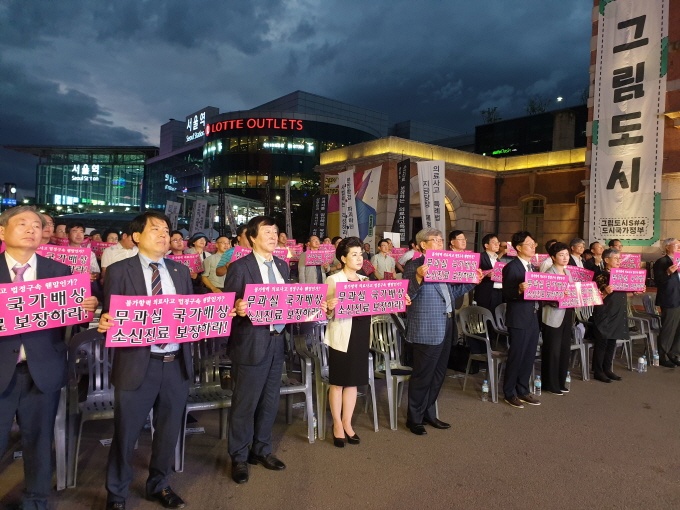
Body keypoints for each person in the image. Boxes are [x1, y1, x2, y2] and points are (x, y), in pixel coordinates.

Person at [0, 206, 98, 510]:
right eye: (22, 224)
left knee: (39, 443)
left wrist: (87, 308)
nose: (32, 229)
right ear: (2, 231)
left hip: (42, 370)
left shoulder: (59, 271)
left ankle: (35, 501)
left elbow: (74, 317)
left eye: (37, 224)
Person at [97, 211, 194, 510]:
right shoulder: (119, 270)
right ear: (137, 236)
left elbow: (190, 314)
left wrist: (213, 315)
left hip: (175, 362)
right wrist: (106, 321)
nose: (164, 235)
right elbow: (112, 315)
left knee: (168, 431)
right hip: (138, 363)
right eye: (156, 230)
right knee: (126, 433)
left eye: (166, 230)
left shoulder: (180, 271)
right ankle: (117, 494)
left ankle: (159, 484)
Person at [225, 216, 318, 484]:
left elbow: (286, 302)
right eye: (266, 232)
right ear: (252, 238)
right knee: (245, 403)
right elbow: (228, 306)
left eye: (275, 231)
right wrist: (238, 307)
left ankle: (261, 449)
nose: (273, 236)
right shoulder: (239, 267)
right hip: (251, 342)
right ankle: (239, 456)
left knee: (269, 400)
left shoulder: (281, 265)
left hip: (278, 340)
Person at [403, 228, 480, 435]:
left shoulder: (443, 266)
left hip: (446, 324)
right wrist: (418, 278)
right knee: (422, 375)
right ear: (423, 245)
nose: (439, 243)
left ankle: (428, 412)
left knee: (438, 374)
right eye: (435, 240)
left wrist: (472, 281)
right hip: (426, 328)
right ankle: (414, 418)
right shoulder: (413, 265)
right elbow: (407, 295)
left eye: (441, 240)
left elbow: (451, 293)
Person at [325, 237, 377, 446]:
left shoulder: (366, 280)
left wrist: (399, 299)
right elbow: (326, 312)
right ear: (343, 258)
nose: (359, 258)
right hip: (341, 335)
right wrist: (330, 307)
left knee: (353, 381)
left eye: (360, 254)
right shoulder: (333, 280)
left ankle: (347, 422)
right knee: (338, 382)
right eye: (354, 255)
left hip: (361, 334)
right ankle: (337, 424)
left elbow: (376, 304)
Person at [591, 248, 645, 382]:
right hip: (605, 312)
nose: (618, 261)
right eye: (615, 258)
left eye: (619, 258)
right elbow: (594, 295)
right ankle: (598, 371)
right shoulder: (600, 275)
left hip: (618, 312)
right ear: (606, 260)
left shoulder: (621, 275)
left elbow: (622, 293)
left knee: (612, 342)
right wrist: (605, 292)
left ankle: (607, 369)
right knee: (602, 342)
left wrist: (635, 291)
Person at [502, 231, 542, 409]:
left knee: (529, 355)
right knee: (516, 356)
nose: (533, 247)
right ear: (518, 248)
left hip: (533, 316)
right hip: (518, 318)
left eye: (534, 244)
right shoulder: (512, 267)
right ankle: (509, 393)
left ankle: (523, 389)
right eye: (529, 244)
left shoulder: (532, 267)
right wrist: (518, 290)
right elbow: (506, 294)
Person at [540, 242, 574, 395]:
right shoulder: (548, 273)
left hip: (567, 313)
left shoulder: (568, 272)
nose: (565, 257)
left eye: (567, 254)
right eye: (561, 255)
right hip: (553, 315)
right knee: (552, 350)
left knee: (564, 349)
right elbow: (543, 296)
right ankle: (550, 384)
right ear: (553, 257)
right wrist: (559, 294)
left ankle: (560, 381)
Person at [652, 238, 680, 368]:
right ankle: (662, 355)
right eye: (676, 245)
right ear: (667, 247)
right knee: (669, 328)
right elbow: (658, 281)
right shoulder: (662, 262)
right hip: (670, 299)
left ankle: (674, 353)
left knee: (678, 328)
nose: (679, 247)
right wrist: (668, 272)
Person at [475, 233, 503, 315]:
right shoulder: (480, 257)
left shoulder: (497, 259)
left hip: (499, 292)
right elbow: (474, 272)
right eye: (494, 242)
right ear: (486, 245)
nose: (497, 244)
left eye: (498, 242)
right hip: (486, 293)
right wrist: (486, 274)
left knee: (497, 316)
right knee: (487, 316)